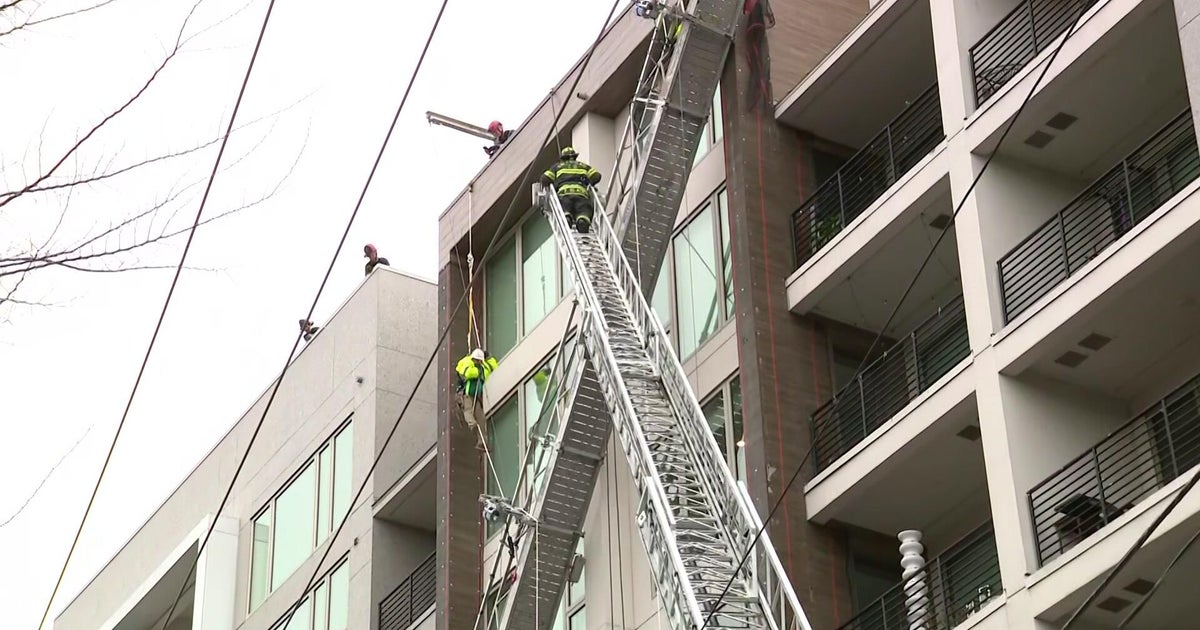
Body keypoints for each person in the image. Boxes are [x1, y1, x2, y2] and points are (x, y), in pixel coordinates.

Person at [540, 146, 602, 233]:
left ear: (563, 158)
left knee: (564, 207)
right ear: (575, 157)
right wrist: (589, 183)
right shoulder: (584, 166)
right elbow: (596, 176)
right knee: (584, 209)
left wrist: (553, 185)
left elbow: (545, 179)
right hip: (581, 194)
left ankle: (566, 217)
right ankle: (582, 220)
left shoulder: (557, 167)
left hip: (564, 194)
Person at [455, 348, 498, 449]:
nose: (477, 362)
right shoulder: (467, 364)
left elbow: (493, 368)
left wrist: (489, 358)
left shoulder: (483, 368)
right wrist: (478, 370)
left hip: (477, 397)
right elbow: (468, 372)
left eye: (479, 360)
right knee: (469, 415)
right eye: (476, 360)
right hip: (467, 395)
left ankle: (482, 441)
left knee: (481, 419)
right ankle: (474, 428)